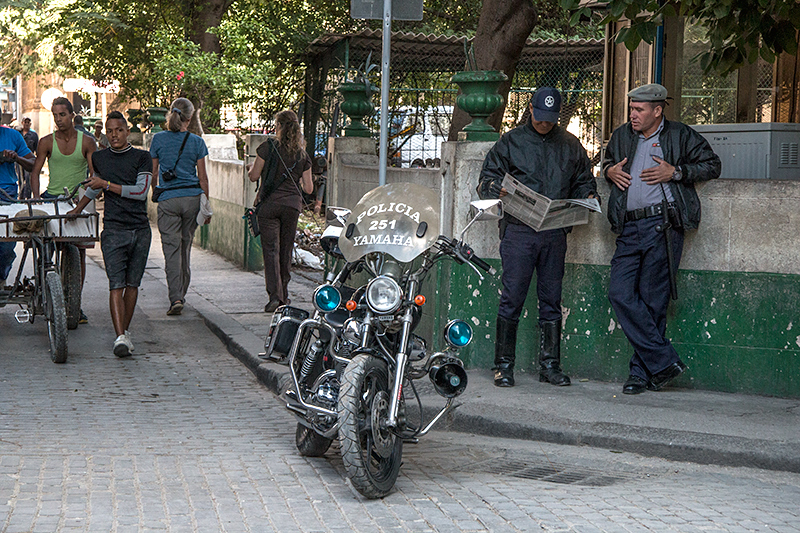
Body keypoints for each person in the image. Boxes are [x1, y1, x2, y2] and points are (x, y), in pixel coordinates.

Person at [604, 83, 721, 395]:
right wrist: (608, 171)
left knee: (653, 301)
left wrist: (676, 172)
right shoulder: (621, 136)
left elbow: (713, 165)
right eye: (631, 109)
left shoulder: (680, 135)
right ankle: (664, 362)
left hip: (663, 226)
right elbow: (607, 162)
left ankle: (640, 375)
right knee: (619, 292)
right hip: (629, 228)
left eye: (639, 110)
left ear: (657, 110)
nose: (633, 115)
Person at [478, 87, 598, 388]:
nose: (544, 124)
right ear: (530, 109)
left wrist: (588, 196)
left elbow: (584, 180)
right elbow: (486, 180)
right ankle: (503, 366)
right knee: (512, 298)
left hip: (555, 231)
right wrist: (495, 188)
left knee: (551, 299)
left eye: (550, 119)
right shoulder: (511, 141)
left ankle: (550, 367)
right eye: (540, 117)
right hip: (519, 230)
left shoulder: (571, 144)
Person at [67, 111, 152, 357]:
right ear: (105, 132)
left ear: (127, 131)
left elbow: (140, 191)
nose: (114, 135)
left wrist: (105, 185)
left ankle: (124, 331)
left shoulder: (142, 157)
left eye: (119, 130)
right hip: (113, 229)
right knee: (116, 284)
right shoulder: (100, 158)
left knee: (132, 284)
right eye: (109, 130)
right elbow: (95, 186)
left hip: (139, 229)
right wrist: (78, 209)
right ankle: (120, 337)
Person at [30, 96, 97, 324]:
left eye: (62, 114)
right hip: (51, 201)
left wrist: (86, 197)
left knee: (79, 255)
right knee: (44, 252)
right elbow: (35, 171)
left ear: (72, 115)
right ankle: (45, 291)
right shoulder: (46, 142)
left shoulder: (87, 142)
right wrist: (37, 198)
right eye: (55, 115)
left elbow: (93, 174)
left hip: (76, 202)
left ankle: (75, 304)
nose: (58, 119)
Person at [247, 110, 313, 313]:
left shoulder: (267, 148)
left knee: (271, 251)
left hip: (269, 206)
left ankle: (275, 297)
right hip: (292, 207)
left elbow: (253, 176)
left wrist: (251, 168)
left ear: (278, 127)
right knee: (286, 251)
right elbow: (309, 189)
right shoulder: (302, 155)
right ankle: (284, 295)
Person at [149, 97, 210, 316]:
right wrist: (206, 205)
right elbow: (203, 177)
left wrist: (156, 192)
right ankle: (181, 293)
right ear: (190, 117)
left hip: (168, 199)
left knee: (171, 251)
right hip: (192, 199)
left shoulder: (158, 139)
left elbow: (154, 173)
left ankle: (176, 296)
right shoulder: (197, 142)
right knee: (185, 248)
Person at [0, 125, 35, 286]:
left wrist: (16, 158)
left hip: (7, 194)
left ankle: (1, 278)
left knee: (6, 245)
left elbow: (32, 163)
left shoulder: (13, 136)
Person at [19, 116, 38, 199]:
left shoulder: (33, 135)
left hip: (29, 160)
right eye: (25, 122)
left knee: (28, 179)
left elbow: (36, 148)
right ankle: (21, 196)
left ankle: (28, 197)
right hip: (18, 159)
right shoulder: (18, 134)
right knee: (20, 178)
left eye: (28, 122)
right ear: (22, 123)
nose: (26, 124)